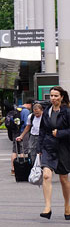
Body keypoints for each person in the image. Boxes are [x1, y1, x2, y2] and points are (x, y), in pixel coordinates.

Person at [37, 86, 70, 220]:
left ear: (61, 97)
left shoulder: (67, 112)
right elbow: (42, 131)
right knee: (46, 175)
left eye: (56, 96)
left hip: (63, 148)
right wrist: (39, 149)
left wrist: (60, 133)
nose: (53, 98)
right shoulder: (47, 112)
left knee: (63, 179)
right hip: (48, 147)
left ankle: (67, 205)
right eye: (51, 96)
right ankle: (47, 207)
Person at [10, 100, 32, 175]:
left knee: (14, 150)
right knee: (24, 150)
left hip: (15, 132)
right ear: (29, 105)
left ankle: (13, 169)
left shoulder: (16, 109)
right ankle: (23, 168)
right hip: (23, 132)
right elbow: (27, 124)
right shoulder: (26, 111)